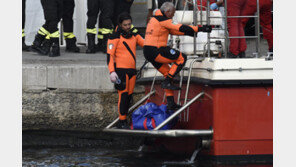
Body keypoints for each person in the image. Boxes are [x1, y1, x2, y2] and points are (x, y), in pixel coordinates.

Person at [143, 2, 212, 110]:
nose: (174, 15)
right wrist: (200, 28)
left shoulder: (154, 19)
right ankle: (167, 82)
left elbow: (173, 31)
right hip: (157, 50)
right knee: (182, 58)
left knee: (167, 73)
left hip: (148, 51)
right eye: (173, 13)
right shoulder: (163, 20)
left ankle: (171, 103)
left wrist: (192, 33)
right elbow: (180, 27)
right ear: (167, 11)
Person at [107, 13, 144, 129]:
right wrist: (112, 71)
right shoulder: (115, 37)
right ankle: (122, 121)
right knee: (123, 96)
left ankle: (125, 120)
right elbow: (110, 56)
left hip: (132, 71)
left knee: (129, 96)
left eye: (129, 24)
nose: (128, 27)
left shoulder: (134, 36)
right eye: (125, 25)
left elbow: (146, 44)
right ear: (120, 25)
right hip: (120, 72)